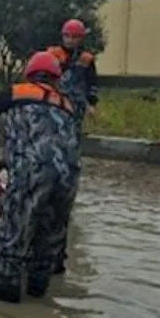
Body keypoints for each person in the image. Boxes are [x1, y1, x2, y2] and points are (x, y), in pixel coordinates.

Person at [0, 51, 81, 303]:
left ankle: (4, 306)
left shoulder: (17, 92)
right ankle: (38, 298)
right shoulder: (67, 104)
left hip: (33, 171)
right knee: (49, 239)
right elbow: (53, 142)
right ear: (56, 79)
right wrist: (4, 162)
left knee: (14, 235)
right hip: (69, 176)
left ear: (29, 75)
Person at [46, 18, 99, 274]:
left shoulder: (87, 59)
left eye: (76, 37)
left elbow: (92, 83)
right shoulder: (52, 55)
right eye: (69, 36)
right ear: (63, 36)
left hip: (75, 109)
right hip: (55, 105)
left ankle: (67, 182)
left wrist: (92, 104)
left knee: (72, 147)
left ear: (81, 38)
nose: (72, 40)